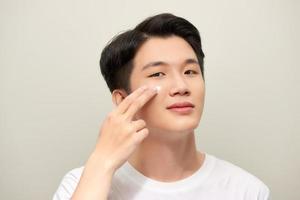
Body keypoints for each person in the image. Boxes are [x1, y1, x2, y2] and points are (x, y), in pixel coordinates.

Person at [53, 13, 270, 200]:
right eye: (158, 74)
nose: (181, 86)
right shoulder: (82, 184)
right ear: (122, 99)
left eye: (190, 72)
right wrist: (101, 163)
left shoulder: (246, 190)